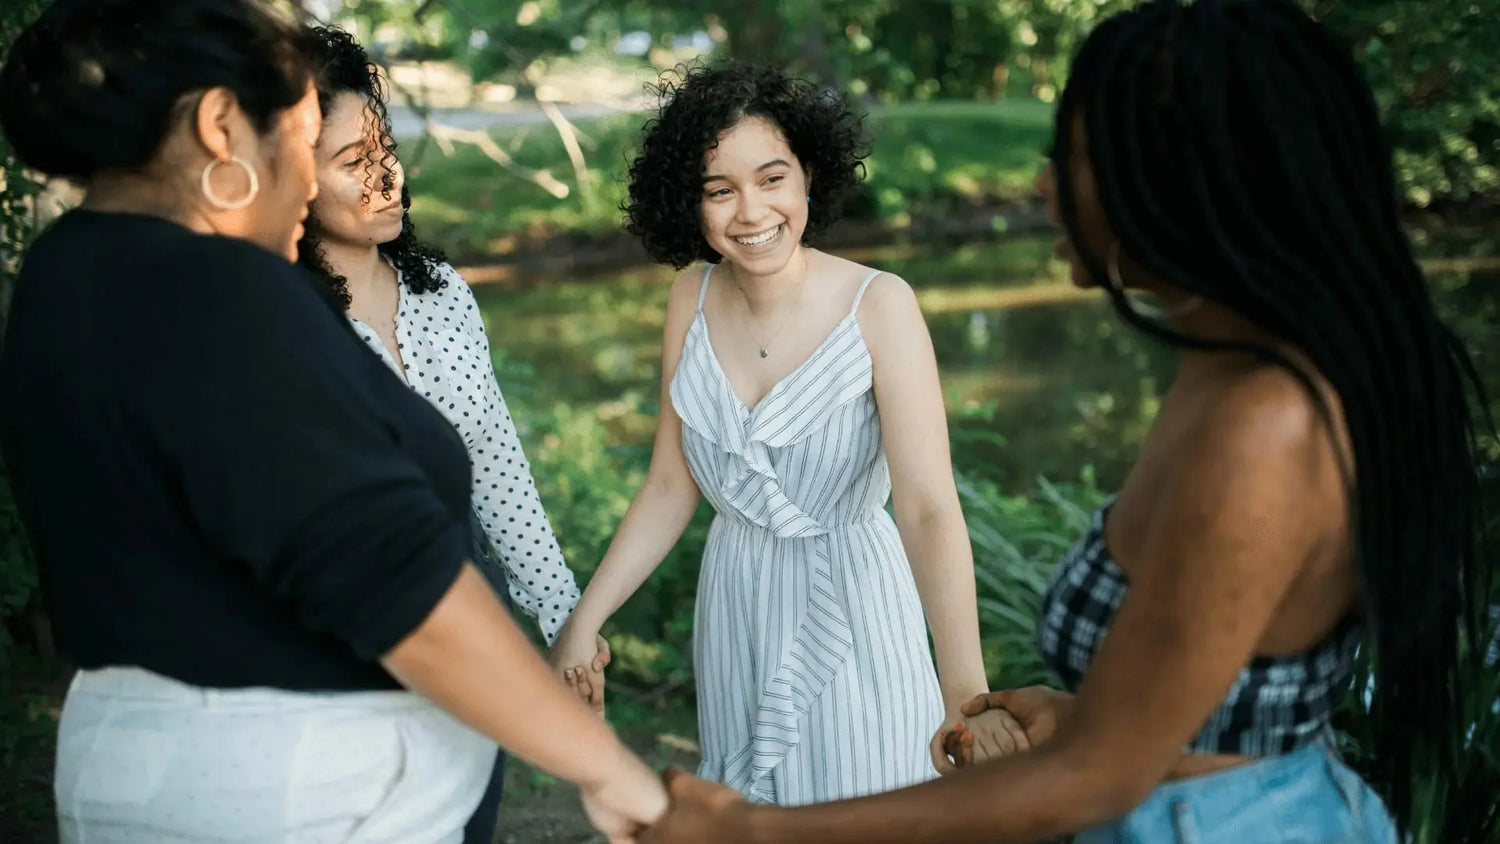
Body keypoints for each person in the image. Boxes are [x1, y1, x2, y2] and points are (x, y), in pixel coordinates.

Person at [638, 1, 1490, 841]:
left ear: (1180, 179)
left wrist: (755, 832)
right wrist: (1074, 713)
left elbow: (1091, 780)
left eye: (1075, 156)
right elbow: (1194, 710)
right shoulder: (1221, 372)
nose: (1044, 183)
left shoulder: (1269, 423)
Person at [0, 2, 662, 841]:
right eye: (309, 140)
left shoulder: (64, 274)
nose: (310, 185)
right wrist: (610, 772)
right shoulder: (222, 293)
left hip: (139, 758)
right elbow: (396, 587)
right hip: (300, 791)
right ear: (219, 126)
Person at [548, 60, 1019, 808]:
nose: (750, 211)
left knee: (872, 812)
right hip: (736, 605)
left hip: (859, 608)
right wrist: (586, 619)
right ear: (690, 203)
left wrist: (967, 691)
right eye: (719, 190)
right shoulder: (689, 296)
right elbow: (672, 485)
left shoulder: (880, 304)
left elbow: (928, 506)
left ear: (808, 178)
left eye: (772, 179)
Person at [293, 26, 612, 842]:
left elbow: (498, 467)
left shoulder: (442, 295)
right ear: (294, 178)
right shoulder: (282, 321)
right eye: (353, 163)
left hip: (475, 609)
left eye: (386, 148)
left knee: (467, 820)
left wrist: (563, 619)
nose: (387, 176)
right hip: (346, 628)